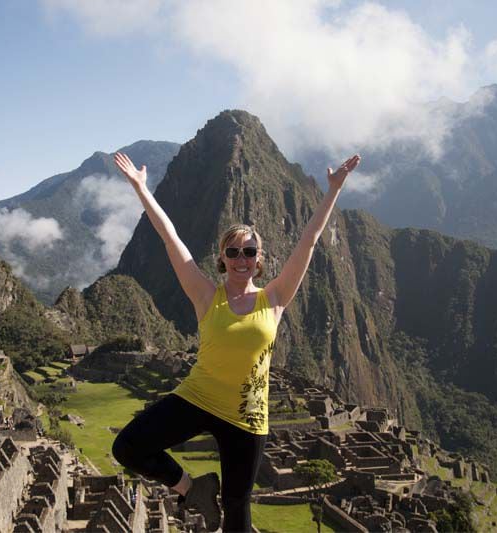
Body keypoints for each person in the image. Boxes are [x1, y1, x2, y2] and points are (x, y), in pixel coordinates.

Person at [111, 151, 360, 532]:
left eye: (249, 252)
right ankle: (191, 488)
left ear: (259, 260)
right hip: (198, 397)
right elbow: (170, 237)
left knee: (237, 513)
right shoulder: (206, 296)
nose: (241, 259)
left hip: (246, 416)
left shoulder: (275, 298)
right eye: (233, 252)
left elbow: (308, 243)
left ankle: (209, 496)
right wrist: (141, 189)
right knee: (127, 447)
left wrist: (333, 191)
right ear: (223, 260)